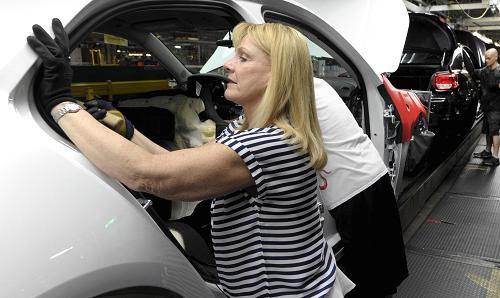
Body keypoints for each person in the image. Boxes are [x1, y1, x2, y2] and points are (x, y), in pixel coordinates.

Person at [28, 19, 345, 297]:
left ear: (279, 75)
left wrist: (60, 102)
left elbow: (152, 176)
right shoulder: (247, 124)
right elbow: (176, 165)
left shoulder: (270, 143)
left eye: (243, 57)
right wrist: (126, 130)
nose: (228, 65)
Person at [312, 78, 409, 298]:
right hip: (371, 178)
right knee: (380, 272)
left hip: (355, 190)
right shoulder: (318, 85)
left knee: (370, 278)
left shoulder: (294, 93)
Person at [473, 48, 500, 166]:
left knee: (494, 131)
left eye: (488, 58)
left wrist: (498, 85)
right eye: (485, 58)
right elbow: (473, 72)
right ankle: (487, 151)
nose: (486, 60)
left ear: (496, 57)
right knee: (488, 131)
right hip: (486, 106)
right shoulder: (484, 71)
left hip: (497, 106)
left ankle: (496, 157)